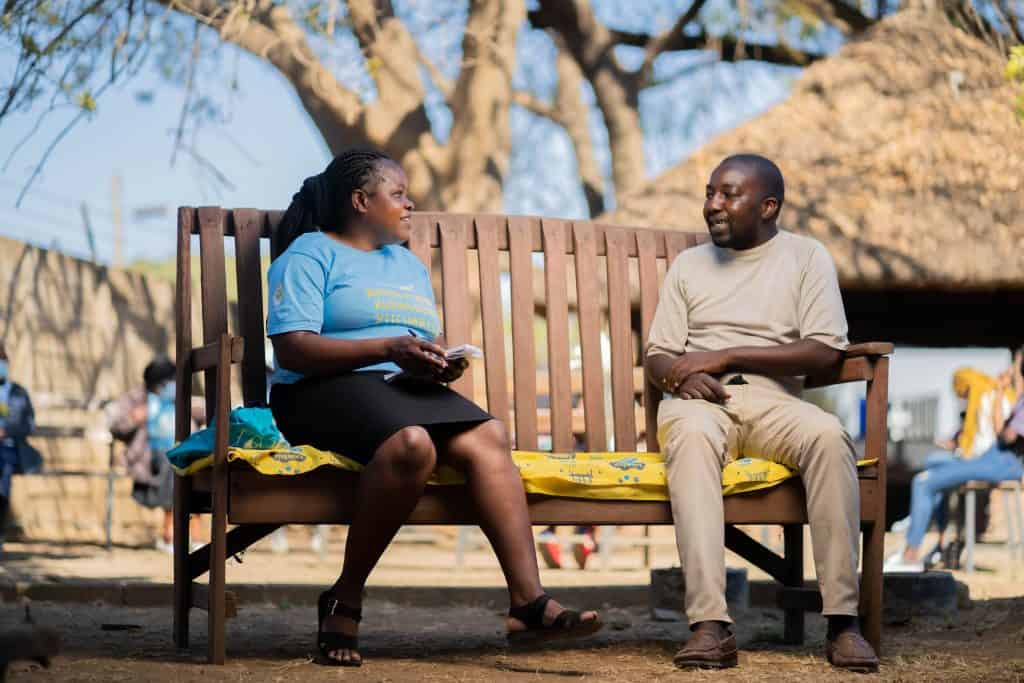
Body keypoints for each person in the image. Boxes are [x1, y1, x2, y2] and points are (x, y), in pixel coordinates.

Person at [267, 148, 601, 667]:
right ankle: (345, 598)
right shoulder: (310, 254)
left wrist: (437, 360)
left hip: (400, 387)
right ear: (361, 200)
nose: (410, 203)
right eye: (398, 194)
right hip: (318, 391)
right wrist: (387, 349)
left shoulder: (405, 263)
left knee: (489, 436)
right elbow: (292, 348)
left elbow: (425, 335)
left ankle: (527, 604)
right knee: (411, 445)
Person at [644, 154, 878, 672]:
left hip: (775, 402)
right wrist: (680, 375)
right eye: (710, 194)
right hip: (698, 403)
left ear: (768, 206)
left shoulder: (805, 257)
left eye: (728, 195)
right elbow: (660, 352)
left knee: (828, 436)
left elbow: (824, 351)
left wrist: (728, 354)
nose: (713, 206)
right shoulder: (689, 265)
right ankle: (710, 626)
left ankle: (842, 622)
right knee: (689, 436)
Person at [886, 363, 1023, 571]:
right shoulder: (1008, 397)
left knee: (923, 482)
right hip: (995, 458)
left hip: (1002, 462)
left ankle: (910, 554)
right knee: (932, 469)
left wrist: (1004, 405)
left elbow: (1005, 435)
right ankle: (928, 530)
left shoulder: (1003, 397)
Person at [108, 356, 203, 552]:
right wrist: (136, 417)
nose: (169, 385)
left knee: (195, 483)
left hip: (187, 451)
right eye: (165, 382)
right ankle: (170, 536)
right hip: (152, 455)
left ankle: (195, 537)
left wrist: (194, 409)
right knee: (172, 484)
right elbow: (117, 425)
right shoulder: (138, 398)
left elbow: (206, 413)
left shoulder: (181, 395)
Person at [0, 342, 42, 552]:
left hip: (9, 448)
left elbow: (30, 424)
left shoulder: (18, 393)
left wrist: (7, 431)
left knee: (3, 473)